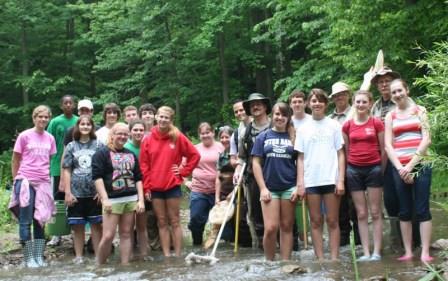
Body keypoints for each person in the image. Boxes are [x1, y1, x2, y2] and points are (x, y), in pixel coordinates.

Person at [139, 106, 200, 257]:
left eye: (166, 117)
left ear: (171, 120)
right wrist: (147, 188)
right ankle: (167, 256)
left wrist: (183, 172)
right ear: (156, 117)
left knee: (175, 221)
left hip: (172, 185)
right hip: (155, 187)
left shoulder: (177, 137)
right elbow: (144, 166)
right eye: (161, 116)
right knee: (161, 221)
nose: (163, 119)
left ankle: (178, 255)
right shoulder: (147, 139)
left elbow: (195, 155)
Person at [384, 79, 433, 262]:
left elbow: (426, 139)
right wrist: (400, 168)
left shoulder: (420, 111)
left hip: (420, 165)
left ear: (407, 90)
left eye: (399, 90)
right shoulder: (390, 116)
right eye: (394, 92)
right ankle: (408, 251)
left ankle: (425, 252)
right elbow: (388, 145)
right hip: (399, 166)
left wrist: (410, 167)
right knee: (404, 210)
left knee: (422, 209)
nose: (397, 94)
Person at [295, 89, 345, 261]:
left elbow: (340, 153)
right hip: (311, 181)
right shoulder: (302, 128)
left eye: (320, 101)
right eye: (313, 101)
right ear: (308, 104)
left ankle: (334, 258)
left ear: (325, 104)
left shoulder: (334, 125)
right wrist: (300, 183)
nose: (316, 103)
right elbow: (300, 158)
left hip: (331, 178)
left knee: (332, 220)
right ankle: (321, 259)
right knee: (315, 221)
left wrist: (341, 180)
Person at [9, 105, 56, 267]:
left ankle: (38, 256)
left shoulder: (50, 138)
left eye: (46, 117)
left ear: (48, 119)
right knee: (25, 220)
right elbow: (15, 160)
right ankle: (28, 258)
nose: (43, 119)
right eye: (40, 116)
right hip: (25, 181)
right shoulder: (24, 136)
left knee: (40, 220)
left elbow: (49, 160)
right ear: (34, 118)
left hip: (43, 182)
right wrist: (17, 180)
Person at [92, 123, 145, 265]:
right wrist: (105, 199)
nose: (122, 136)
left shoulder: (130, 154)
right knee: (108, 235)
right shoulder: (101, 153)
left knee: (126, 233)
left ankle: (125, 265)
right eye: (119, 133)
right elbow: (97, 178)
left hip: (130, 198)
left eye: (125, 134)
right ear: (112, 135)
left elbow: (139, 178)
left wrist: (140, 200)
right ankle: (99, 265)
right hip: (112, 200)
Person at [252, 102, 299, 260]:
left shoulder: (294, 136)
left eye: (284, 114)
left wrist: (298, 186)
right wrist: (263, 188)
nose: (280, 117)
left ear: (288, 117)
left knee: (287, 227)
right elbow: (256, 163)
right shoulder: (262, 137)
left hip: (289, 187)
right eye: (277, 114)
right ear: (272, 115)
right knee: (271, 228)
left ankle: (286, 263)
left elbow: (300, 162)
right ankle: (270, 262)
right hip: (269, 188)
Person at [342, 90, 385, 261]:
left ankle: (377, 252)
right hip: (354, 170)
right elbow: (346, 150)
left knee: (375, 212)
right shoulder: (347, 125)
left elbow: (383, 149)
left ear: (369, 103)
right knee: (361, 213)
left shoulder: (376, 123)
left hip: (374, 169)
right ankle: (366, 252)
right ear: (353, 104)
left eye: (364, 102)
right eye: (357, 102)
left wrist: (380, 169)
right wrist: (347, 169)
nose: (360, 105)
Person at [62, 115, 104, 264]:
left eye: (88, 124)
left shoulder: (99, 145)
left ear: (92, 127)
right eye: (82, 124)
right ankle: (79, 257)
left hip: (94, 194)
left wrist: (102, 192)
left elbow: (103, 168)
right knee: (77, 227)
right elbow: (67, 169)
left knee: (96, 226)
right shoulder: (71, 146)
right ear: (77, 127)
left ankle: (99, 257)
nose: (85, 126)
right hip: (76, 193)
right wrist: (67, 192)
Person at [236, 93, 271, 248]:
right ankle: (263, 249)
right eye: (252, 105)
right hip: (253, 178)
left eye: (258, 104)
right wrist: (238, 170)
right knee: (256, 215)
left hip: (276, 175)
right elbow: (241, 157)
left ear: (265, 106)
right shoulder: (245, 132)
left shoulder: (276, 125)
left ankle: (288, 249)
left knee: (283, 215)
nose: (255, 107)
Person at [328, 81, 360, 247]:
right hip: (334, 169)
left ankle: (361, 245)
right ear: (333, 98)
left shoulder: (357, 113)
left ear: (348, 95)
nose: (340, 97)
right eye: (336, 95)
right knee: (339, 210)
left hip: (355, 165)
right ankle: (342, 246)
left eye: (343, 93)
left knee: (357, 208)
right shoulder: (328, 119)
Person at [46, 95, 78, 246]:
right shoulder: (55, 122)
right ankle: (56, 233)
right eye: (65, 103)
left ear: (74, 105)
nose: (68, 105)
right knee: (57, 201)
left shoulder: (78, 121)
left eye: (70, 103)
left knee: (73, 200)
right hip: (57, 165)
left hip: (75, 167)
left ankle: (74, 232)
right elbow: (48, 140)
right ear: (61, 105)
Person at [187, 122, 224, 245]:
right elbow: (181, 166)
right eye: (202, 133)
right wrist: (185, 181)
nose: (205, 135)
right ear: (199, 135)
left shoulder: (221, 147)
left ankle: (220, 246)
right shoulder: (194, 149)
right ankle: (197, 244)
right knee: (196, 219)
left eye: (207, 132)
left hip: (218, 190)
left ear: (213, 133)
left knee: (221, 221)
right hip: (199, 190)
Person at [123, 119, 150, 259]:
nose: (138, 132)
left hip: (145, 189)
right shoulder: (125, 148)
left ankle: (144, 254)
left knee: (142, 224)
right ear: (130, 132)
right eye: (135, 130)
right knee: (128, 227)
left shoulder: (148, 145)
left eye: (141, 130)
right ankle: (131, 254)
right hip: (127, 189)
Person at [229, 100, 251, 167]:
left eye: (241, 110)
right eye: (236, 112)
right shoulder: (235, 134)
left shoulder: (259, 127)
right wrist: (239, 163)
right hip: (246, 172)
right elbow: (232, 159)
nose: (239, 113)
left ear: (247, 109)